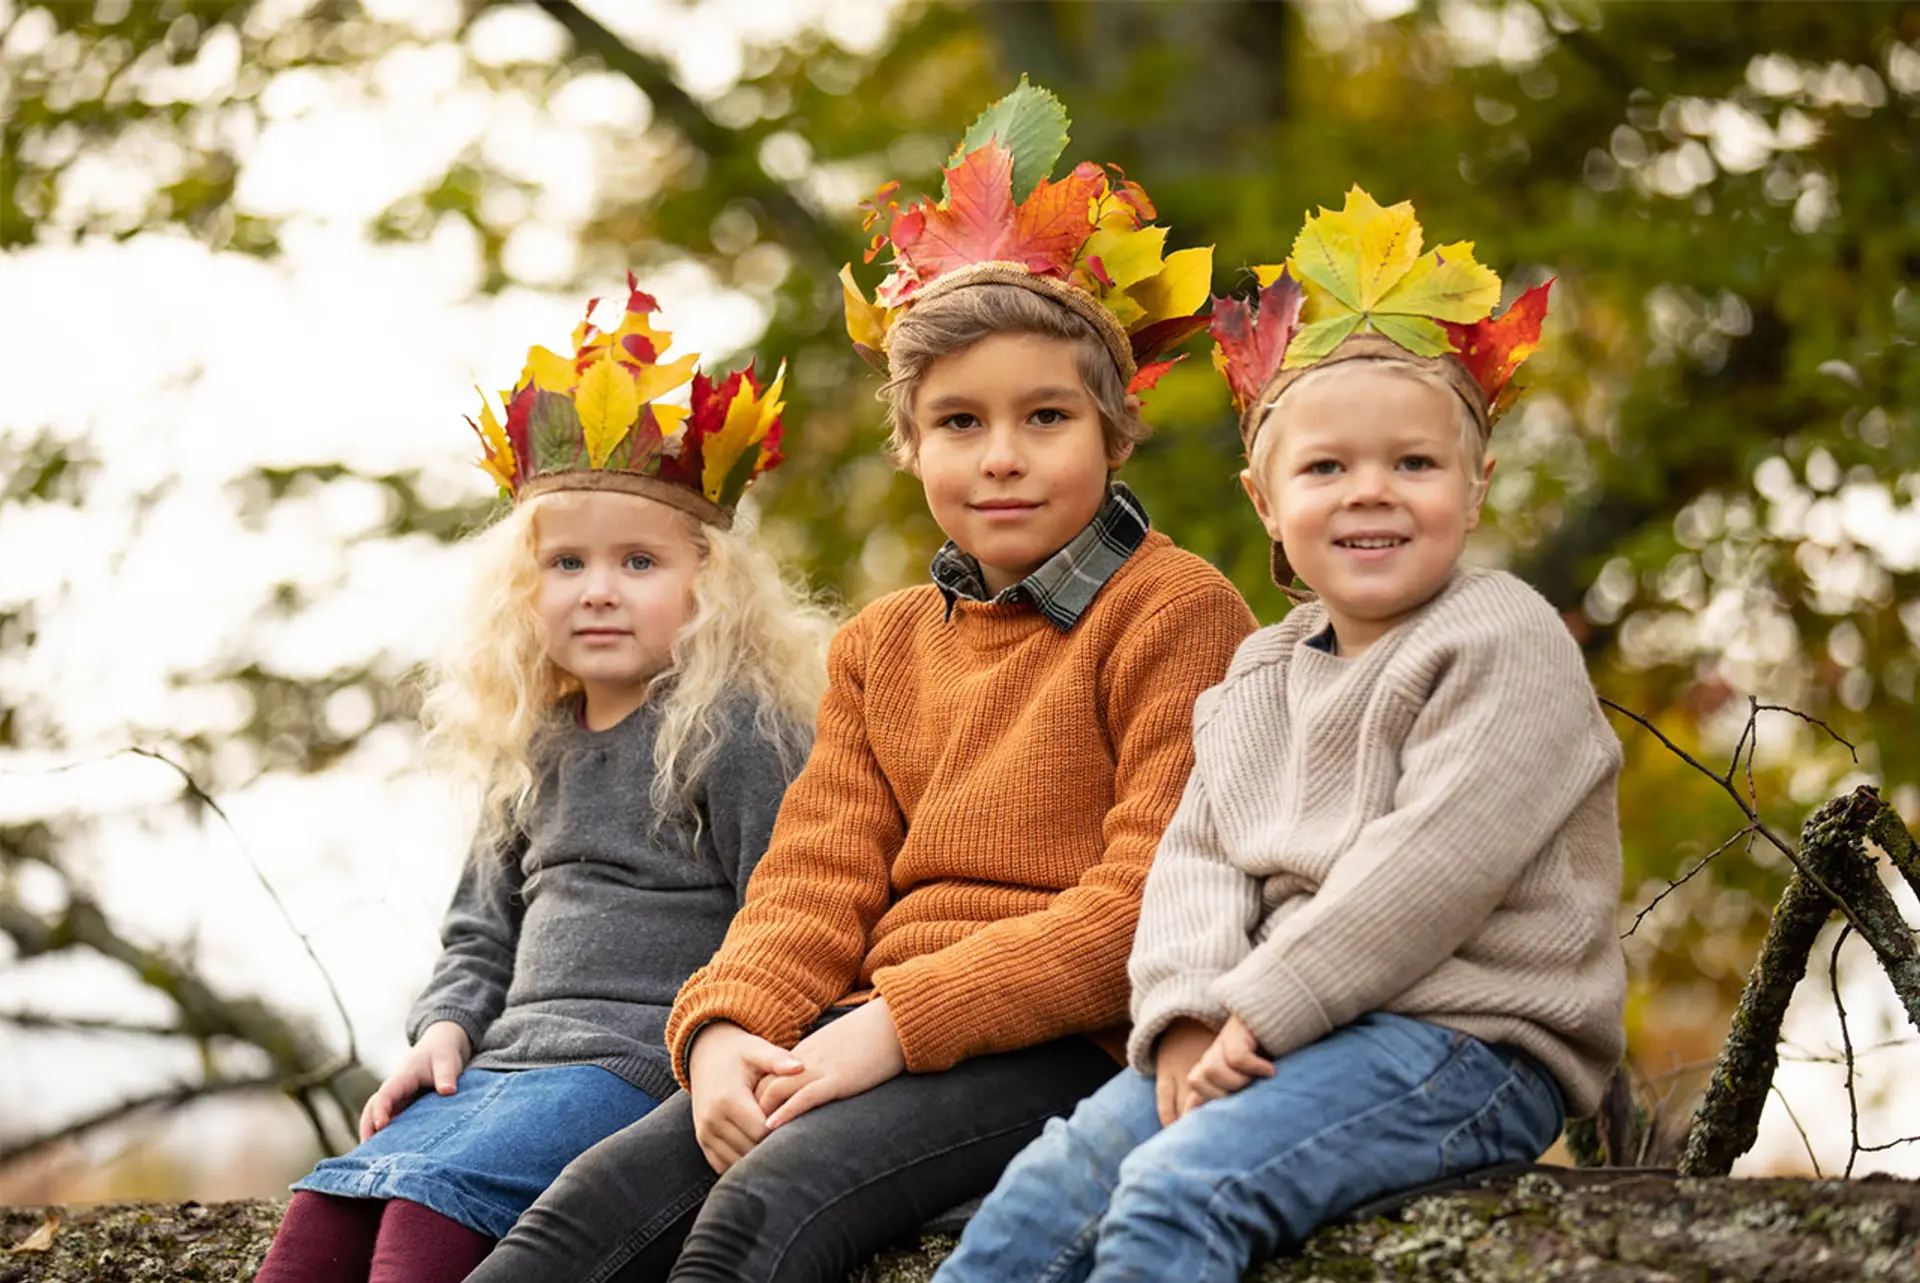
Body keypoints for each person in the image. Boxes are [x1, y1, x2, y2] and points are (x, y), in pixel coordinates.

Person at [466, 80, 1256, 1283]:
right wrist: (728, 1026)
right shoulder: (884, 643)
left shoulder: (1175, 612)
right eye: (958, 423)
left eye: (1045, 416)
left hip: (1067, 1040)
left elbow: (1147, 903)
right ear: (911, 443)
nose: (1001, 456)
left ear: (1111, 429)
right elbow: (813, 875)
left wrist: (896, 1023)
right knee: (578, 1217)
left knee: (761, 1214)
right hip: (867, 1026)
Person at [934, 187, 1628, 1283]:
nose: (1370, 494)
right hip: (1268, 1026)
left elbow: (1429, 870)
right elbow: (1196, 862)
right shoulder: (1262, 668)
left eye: (1414, 464)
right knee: (1043, 1194)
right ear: (1265, 501)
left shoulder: (1504, 638)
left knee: (1180, 1192)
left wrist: (1258, 1011)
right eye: (1325, 468)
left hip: (1464, 1041)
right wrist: (1182, 1016)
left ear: (1475, 486)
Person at [254, 278, 834, 1283]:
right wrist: (443, 1028)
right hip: (503, 1061)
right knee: (325, 1208)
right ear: (524, 588)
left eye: (639, 562)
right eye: (566, 563)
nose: (598, 589)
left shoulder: (733, 728)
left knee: (425, 1214)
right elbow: (480, 930)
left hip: (636, 1066)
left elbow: (790, 911)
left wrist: (733, 1048)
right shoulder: (533, 743)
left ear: (708, 584)